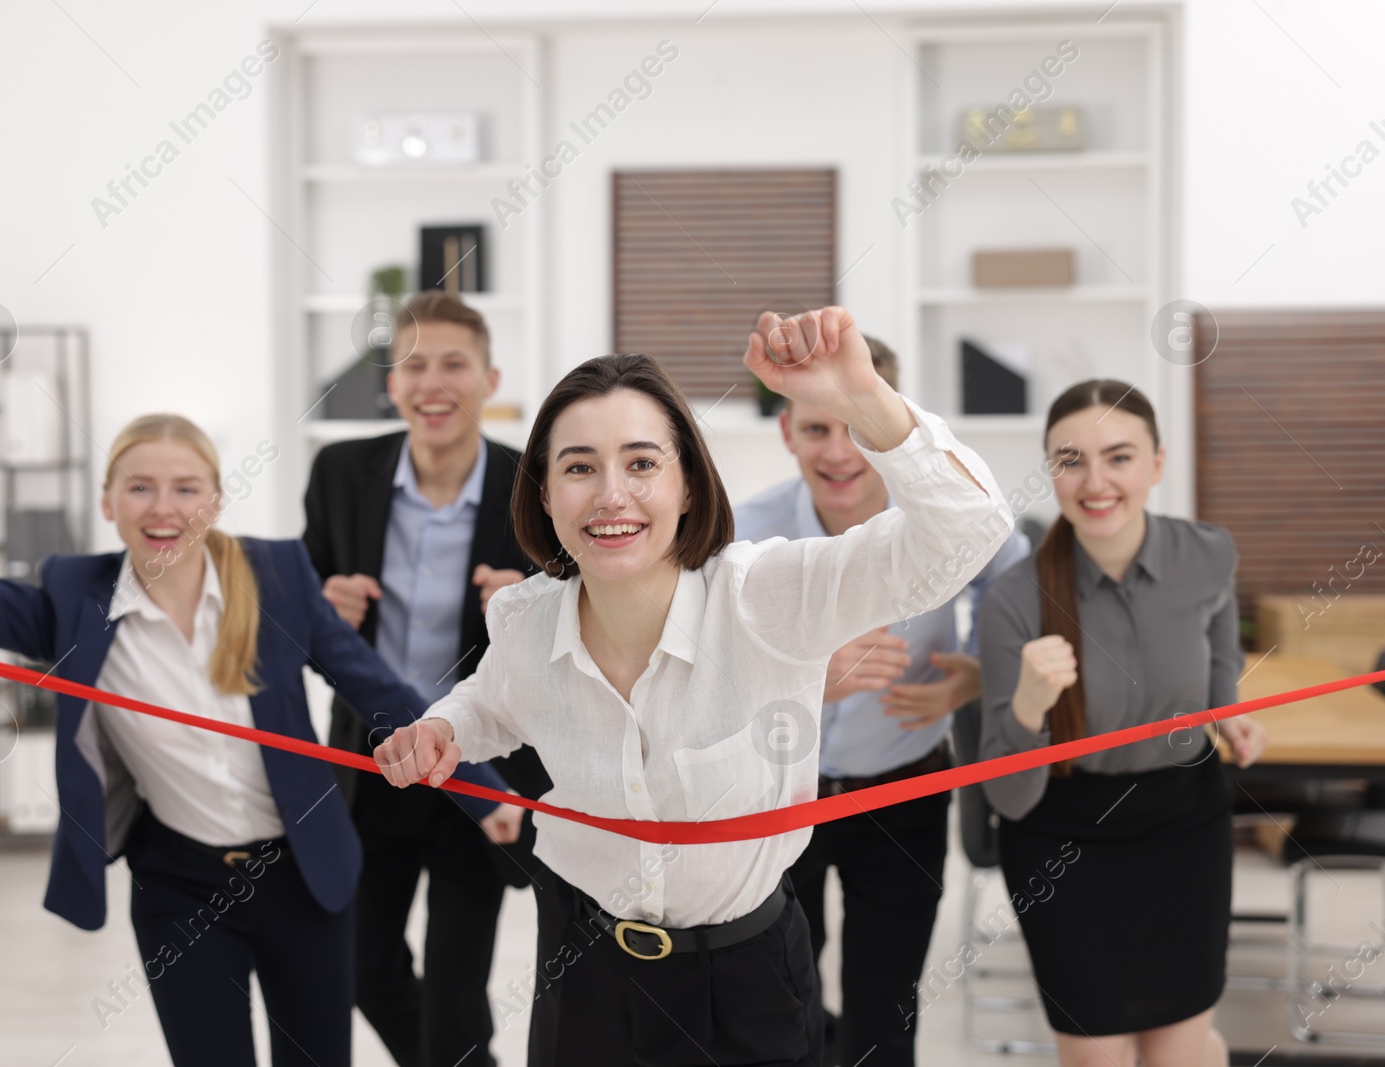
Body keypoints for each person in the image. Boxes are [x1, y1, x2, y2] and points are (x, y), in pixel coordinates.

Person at [374, 306, 1015, 1066]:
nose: (611, 495)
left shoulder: (766, 594)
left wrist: (862, 398)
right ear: (546, 493)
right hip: (580, 965)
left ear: (687, 484)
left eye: (642, 463)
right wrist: (444, 729)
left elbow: (971, 526)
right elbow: (491, 702)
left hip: (747, 979)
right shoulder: (523, 616)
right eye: (579, 466)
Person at [0, 371, 512, 1067]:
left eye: (186, 487)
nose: (162, 507)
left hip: (304, 874)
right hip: (181, 884)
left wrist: (482, 790)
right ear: (109, 501)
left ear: (217, 500)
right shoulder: (71, 599)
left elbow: (376, 687)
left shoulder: (278, 578)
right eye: (140, 486)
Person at [734, 335, 1029, 1067]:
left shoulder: (949, 522)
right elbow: (709, 666)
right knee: (774, 1014)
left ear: (889, 424)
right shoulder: (743, 532)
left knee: (884, 1020)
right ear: (785, 432)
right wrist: (807, 667)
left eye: (856, 427)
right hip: (777, 796)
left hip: (901, 794)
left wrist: (974, 679)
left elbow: (1019, 610)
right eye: (815, 428)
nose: (839, 453)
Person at [976, 379, 1266, 1067]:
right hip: (1063, 834)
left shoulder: (1209, 553)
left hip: (1184, 823)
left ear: (1157, 464)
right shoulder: (1012, 603)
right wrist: (1026, 706)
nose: (1095, 481)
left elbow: (1221, 647)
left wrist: (1229, 713)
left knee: (1179, 1049)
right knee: (1098, 1055)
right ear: (1051, 471)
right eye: (1071, 459)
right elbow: (1009, 797)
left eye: (1120, 457)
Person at [303, 290, 551, 1067]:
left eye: (453, 363)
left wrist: (528, 602)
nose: (432, 382)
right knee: (362, 967)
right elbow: (297, 609)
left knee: (456, 986)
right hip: (370, 761)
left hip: (479, 765)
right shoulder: (341, 470)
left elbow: (587, 617)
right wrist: (323, 606)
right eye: (414, 364)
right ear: (391, 381)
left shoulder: (537, 484)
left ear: (489, 378)